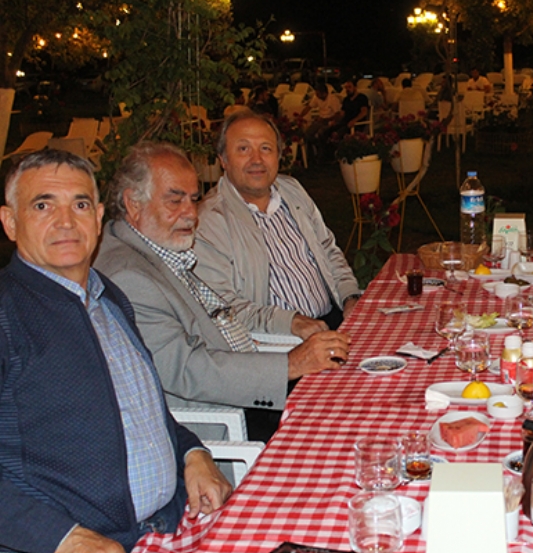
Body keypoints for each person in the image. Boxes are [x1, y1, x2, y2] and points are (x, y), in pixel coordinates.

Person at [0, 150, 231, 553]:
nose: (66, 221)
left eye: (80, 204)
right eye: (43, 205)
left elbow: (141, 413)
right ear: (10, 222)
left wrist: (192, 453)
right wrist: (63, 539)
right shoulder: (7, 314)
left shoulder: (108, 299)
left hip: (169, 531)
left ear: (99, 217)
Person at [94, 143, 351, 440]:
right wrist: (290, 364)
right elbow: (187, 370)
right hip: (226, 420)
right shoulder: (128, 277)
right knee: (345, 426)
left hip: (250, 381)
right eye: (175, 201)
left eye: (193, 199)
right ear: (133, 204)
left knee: (355, 391)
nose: (191, 213)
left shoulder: (153, 246)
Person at [194, 110, 361, 339]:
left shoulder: (292, 190)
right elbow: (219, 306)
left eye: (266, 148)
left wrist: (349, 297)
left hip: (331, 320)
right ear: (223, 159)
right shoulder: (209, 221)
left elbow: (327, 249)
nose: (257, 160)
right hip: (275, 341)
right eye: (243, 149)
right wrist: (290, 322)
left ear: (278, 156)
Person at [301, 81, 342, 147]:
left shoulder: (333, 99)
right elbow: (308, 107)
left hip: (330, 121)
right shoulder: (316, 97)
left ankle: (323, 148)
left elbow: (338, 115)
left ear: (324, 93)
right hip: (320, 120)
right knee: (307, 133)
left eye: (318, 94)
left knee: (321, 133)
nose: (317, 95)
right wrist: (300, 116)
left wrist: (325, 119)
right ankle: (316, 147)